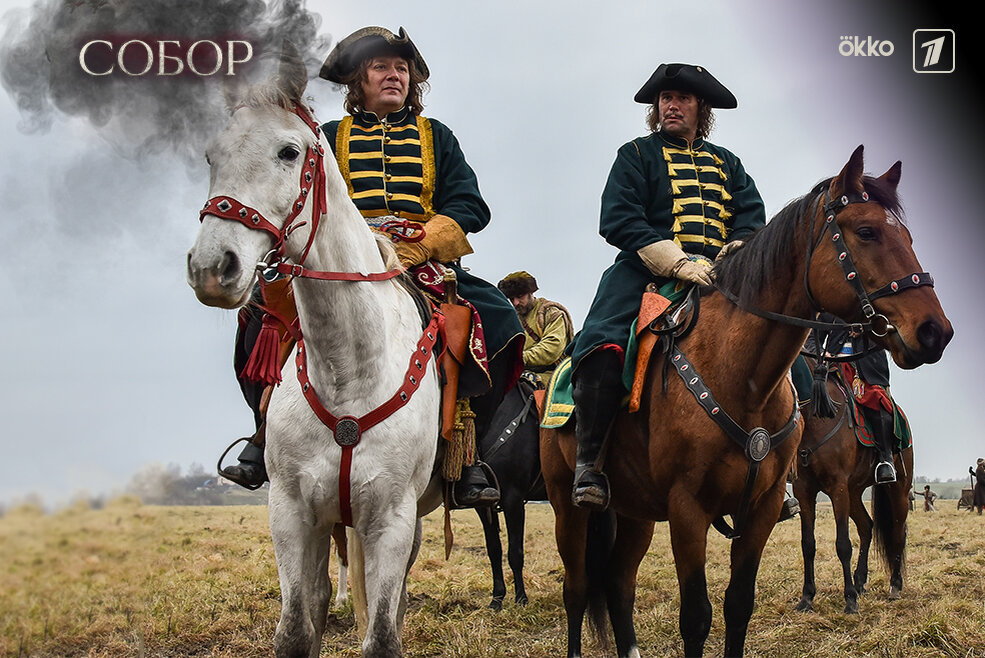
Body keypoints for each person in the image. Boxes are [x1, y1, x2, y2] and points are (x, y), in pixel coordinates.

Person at [220, 27, 524, 508]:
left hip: (417, 260)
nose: (394, 75)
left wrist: (422, 243)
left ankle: (466, 456)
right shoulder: (327, 137)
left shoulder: (436, 136)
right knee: (258, 318)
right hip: (339, 261)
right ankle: (263, 435)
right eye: (381, 67)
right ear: (357, 81)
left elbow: (470, 205)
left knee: (496, 319)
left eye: (401, 68)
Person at [567, 63, 767, 510]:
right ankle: (589, 465)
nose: (672, 105)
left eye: (683, 98)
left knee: (786, 356)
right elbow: (619, 218)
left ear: (702, 107)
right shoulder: (636, 154)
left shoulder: (728, 163)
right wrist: (676, 261)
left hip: (720, 277)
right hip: (645, 273)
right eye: (666, 99)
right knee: (600, 346)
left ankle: (781, 469)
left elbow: (753, 217)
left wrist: (735, 250)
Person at [812, 319, 899, 484]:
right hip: (831, 368)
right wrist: (821, 353)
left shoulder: (872, 304)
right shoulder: (827, 303)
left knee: (876, 398)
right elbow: (812, 336)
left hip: (864, 369)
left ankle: (885, 459)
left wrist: (867, 328)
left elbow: (887, 328)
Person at [497, 271, 574, 388]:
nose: (515, 303)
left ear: (531, 292)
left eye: (519, 296)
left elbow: (551, 349)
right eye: (511, 299)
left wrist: (519, 358)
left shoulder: (551, 313)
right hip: (520, 372)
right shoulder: (511, 320)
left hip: (555, 376)